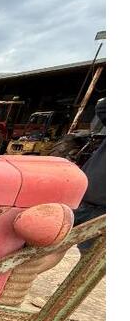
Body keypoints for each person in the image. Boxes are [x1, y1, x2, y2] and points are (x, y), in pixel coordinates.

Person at [73, 98, 105, 253]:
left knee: (89, 254)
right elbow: (102, 107)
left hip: (102, 211)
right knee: (47, 244)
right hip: (80, 198)